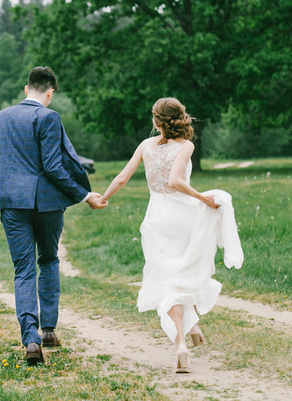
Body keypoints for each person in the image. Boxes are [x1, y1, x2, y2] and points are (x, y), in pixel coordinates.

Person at [0, 66, 107, 365]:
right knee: (48, 259)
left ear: (27, 89)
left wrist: (7, 178)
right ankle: (48, 330)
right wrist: (85, 195)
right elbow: (52, 166)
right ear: (49, 93)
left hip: (11, 204)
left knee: (23, 269)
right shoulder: (48, 117)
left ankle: (31, 340)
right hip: (47, 204)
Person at [97, 97, 229, 374]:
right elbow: (176, 182)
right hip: (183, 217)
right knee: (183, 273)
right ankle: (189, 329)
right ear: (180, 118)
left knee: (167, 277)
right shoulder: (186, 146)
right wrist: (203, 199)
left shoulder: (145, 146)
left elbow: (122, 178)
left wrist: (103, 198)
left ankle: (182, 340)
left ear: (157, 121)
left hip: (157, 219)